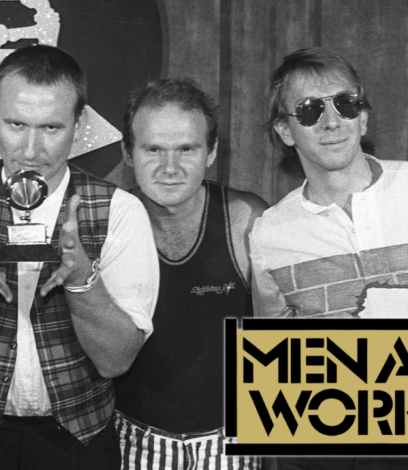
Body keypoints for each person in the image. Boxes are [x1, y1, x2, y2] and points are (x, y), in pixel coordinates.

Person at [0, 44, 160, 469]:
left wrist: (82, 280)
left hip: (80, 441)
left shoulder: (120, 210)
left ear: (80, 124)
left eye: (51, 128)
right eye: (15, 124)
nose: (30, 149)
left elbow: (116, 361)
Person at [250, 47, 408, 469]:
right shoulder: (271, 233)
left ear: (363, 117)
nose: (332, 121)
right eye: (309, 110)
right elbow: (277, 364)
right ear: (285, 131)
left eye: (345, 103)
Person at [113, 77, 266, 470]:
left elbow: (284, 334)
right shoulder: (107, 225)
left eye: (186, 149)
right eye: (153, 149)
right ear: (128, 153)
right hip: (131, 439)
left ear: (211, 152)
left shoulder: (245, 219)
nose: (170, 168)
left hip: (231, 442)